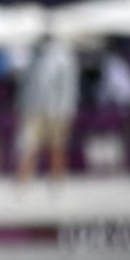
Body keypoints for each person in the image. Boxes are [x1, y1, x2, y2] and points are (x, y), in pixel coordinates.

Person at [15, 33, 80, 182]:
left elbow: (68, 89)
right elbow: (26, 86)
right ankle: (22, 181)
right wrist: (22, 107)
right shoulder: (32, 56)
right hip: (34, 110)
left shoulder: (64, 58)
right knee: (28, 146)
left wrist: (68, 112)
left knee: (57, 147)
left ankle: (56, 181)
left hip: (57, 111)